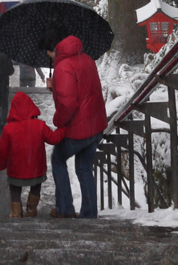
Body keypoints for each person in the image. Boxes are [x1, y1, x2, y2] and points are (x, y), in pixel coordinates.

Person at [43, 31, 108, 219]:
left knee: (58, 158)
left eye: (47, 53)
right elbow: (82, 88)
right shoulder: (86, 58)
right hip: (96, 125)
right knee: (84, 167)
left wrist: (57, 121)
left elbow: (68, 104)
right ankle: (89, 213)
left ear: (53, 49)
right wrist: (55, 86)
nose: (47, 56)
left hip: (79, 129)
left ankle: (65, 208)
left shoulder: (63, 67)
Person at [0, 91, 66, 218]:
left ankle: (16, 212)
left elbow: (1, 150)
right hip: (36, 169)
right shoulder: (39, 125)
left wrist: (1, 165)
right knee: (35, 187)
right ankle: (31, 210)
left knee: (15, 190)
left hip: (15, 170)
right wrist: (64, 129)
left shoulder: (8, 129)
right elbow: (54, 138)